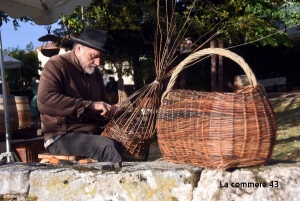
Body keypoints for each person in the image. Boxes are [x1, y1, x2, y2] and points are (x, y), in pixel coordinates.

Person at [37, 26, 123, 164]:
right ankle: (121, 184)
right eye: (94, 56)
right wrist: (90, 105)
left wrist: (111, 109)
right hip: (61, 137)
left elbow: (103, 103)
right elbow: (45, 101)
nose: (98, 63)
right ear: (78, 49)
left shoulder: (96, 74)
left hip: (92, 134)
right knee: (107, 147)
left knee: (131, 142)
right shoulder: (56, 65)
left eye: (101, 57)